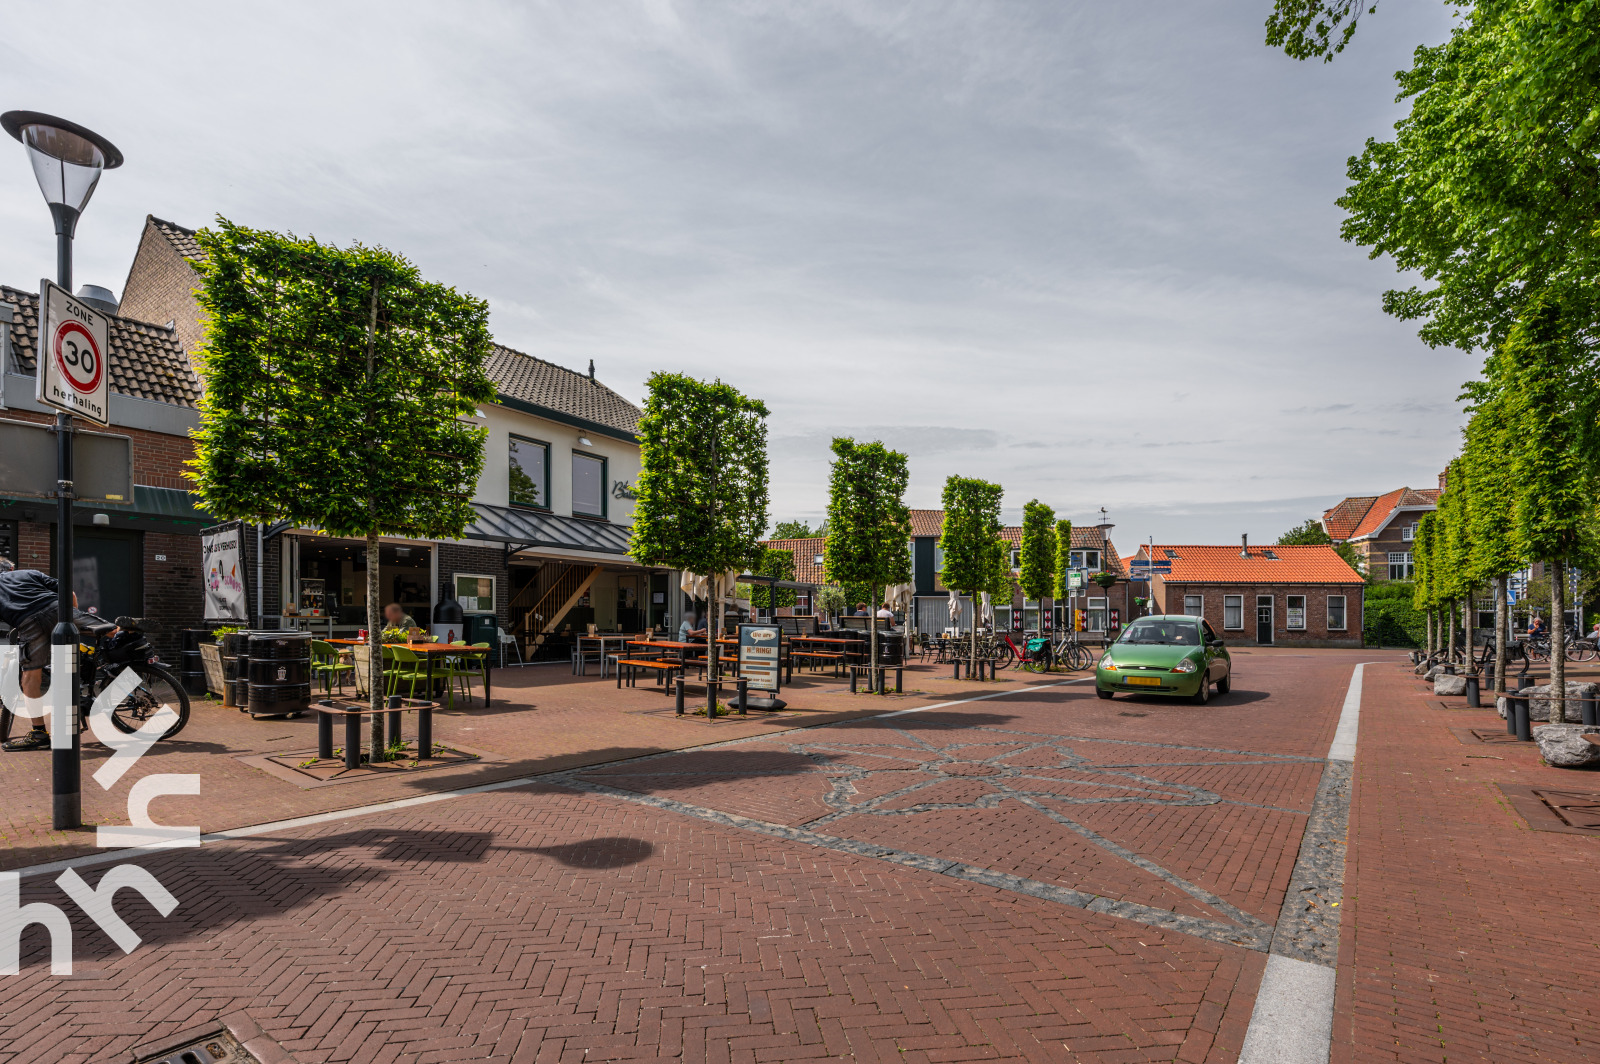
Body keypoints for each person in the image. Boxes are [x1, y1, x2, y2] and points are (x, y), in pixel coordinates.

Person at [0, 557, 85, 752]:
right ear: (12, 568)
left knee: (30, 677)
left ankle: (39, 733)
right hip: (58, 610)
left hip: (28, 623)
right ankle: (129, 644)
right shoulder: (29, 573)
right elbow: (69, 592)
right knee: (106, 630)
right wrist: (72, 620)